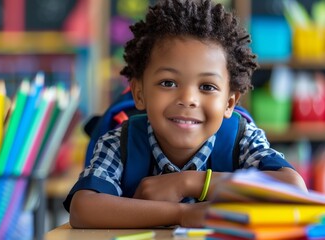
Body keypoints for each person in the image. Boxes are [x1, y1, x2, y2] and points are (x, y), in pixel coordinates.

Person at [64, 0, 307, 228]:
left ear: (229, 102)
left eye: (207, 87)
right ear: (139, 93)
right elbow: (83, 208)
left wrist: (190, 183)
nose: (188, 99)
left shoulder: (242, 139)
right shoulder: (119, 142)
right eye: (168, 83)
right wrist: (182, 214)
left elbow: (294, 189)